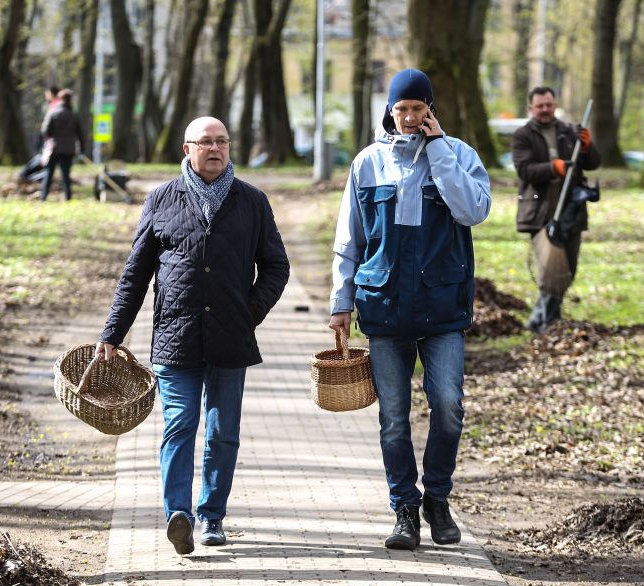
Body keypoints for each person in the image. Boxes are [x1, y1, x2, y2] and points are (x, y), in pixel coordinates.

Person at [96, 116, 289, 555]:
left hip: (230, 338)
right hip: (174, 336)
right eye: (206, 142)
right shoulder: (161, 199)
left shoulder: (251, 201)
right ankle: (178, 514)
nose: (216, 148)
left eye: (222, 141)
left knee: (222, 432)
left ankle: (212, 517)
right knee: (179, 424)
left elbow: (277, 266)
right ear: (187, 149)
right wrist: (112, 333)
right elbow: (135, 275)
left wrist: (249, 312)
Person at [329, 68, 491, 550]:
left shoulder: (460, 154)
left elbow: (473, 211)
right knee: (394, 418)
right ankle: (405, 509)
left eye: (418, 109)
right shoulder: (367, 162)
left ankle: (437, 499)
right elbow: (349, 238)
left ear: (430, 110)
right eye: (402, 109)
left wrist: (438, 148)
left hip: (442, 306)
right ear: (390, 110)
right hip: (384, 307)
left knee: (448, 407)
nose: (409, 117)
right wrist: (341, 302)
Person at [512, 86, 602, 333]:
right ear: (531, 108)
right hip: (540, 212)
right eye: (539, 106)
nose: (544, 110)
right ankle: (548, 323)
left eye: (548, 105)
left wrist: (586, 146)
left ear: (555, 105)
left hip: (570, 212)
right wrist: (555, 167)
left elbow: (593, 162)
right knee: (550, 272)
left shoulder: (570, 131)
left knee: (568, 270)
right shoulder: (522, 136)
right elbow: (525, 170)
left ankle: (539, 321)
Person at [39, 89, 83, 201]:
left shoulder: (53, 112)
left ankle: (43, 197)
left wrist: (51, 138)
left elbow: (45, 130)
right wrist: (82, 149)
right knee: (66, 175)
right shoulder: (73, 115)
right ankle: (67, 197)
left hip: (54, 148)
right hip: (68, 149)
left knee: (49, 173)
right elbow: (80, 134)